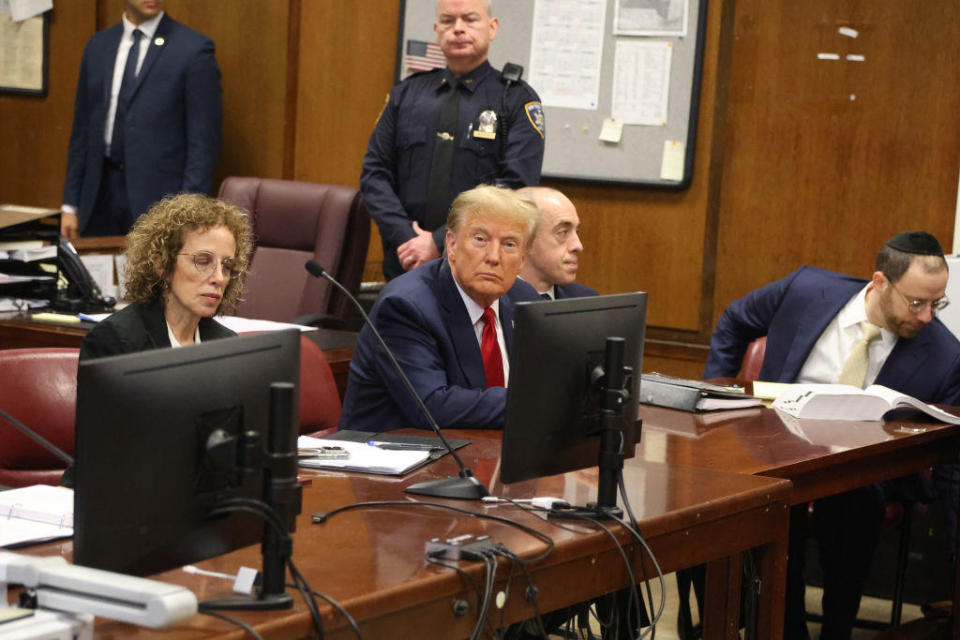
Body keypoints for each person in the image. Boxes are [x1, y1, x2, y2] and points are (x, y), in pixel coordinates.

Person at [704, 231, 960, 640]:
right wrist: (713, 396)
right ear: (879, 283)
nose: (928, 316)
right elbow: (735, 320)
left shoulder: (945, 356)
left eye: (937, 303)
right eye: (917, 302)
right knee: (760, 502)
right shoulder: (806, 289)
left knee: (855, 502)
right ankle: (781, 627)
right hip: (775, 451)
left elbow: (951, 456)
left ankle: (836, 629)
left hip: (866, 471)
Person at [360, 0, 545, 280]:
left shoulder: (515, 99)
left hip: (478, 263)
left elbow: (515, 185)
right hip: (405, 260)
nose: (458, 29)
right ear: (436, 30)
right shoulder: (406, 95)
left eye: (470, 19)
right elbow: (374, 175)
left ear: (492, 28)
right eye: (448, 21)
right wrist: (407, 238)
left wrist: (437, 242)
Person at [339, 185, 540, 431]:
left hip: (485, 451)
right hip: (390, 456)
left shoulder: (525, 301)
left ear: (522, 259)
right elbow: (433, 406)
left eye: (509, 244)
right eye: (480, 239)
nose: (493, 257)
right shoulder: (406, 306)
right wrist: (538, 402)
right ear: (452, 244)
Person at [61, 0, 221, 239]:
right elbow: (82, 131)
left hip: (159, 201)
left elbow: (203, 145)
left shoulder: (193, 50)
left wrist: (187, 214)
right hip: (98, 196)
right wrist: (70, 204)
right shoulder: (99, 45)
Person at [79, 193, 253, 361]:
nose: (220, 278)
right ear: (162, 264)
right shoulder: (114, 341)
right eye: (202, 261)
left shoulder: (227, 345)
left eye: (227, 266)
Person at [517, 186, 595, 299]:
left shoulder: (586, 301)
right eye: (563, 232)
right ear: (523, 239)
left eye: (576, 231)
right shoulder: (494, 305)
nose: (578, 246)